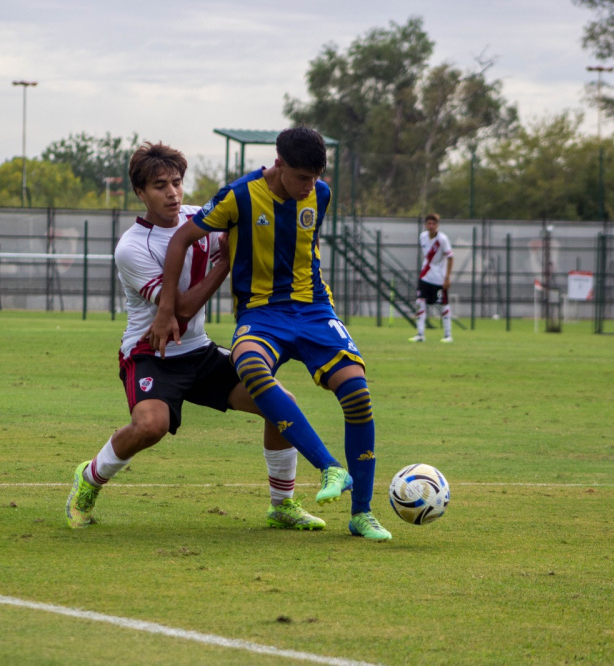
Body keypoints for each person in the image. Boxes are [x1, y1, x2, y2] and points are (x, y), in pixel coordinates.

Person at [148, 127, 392, 541]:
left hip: (315, 310)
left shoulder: (321, 195)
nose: (308, 187)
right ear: (278, 165)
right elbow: (181, 242)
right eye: (301, 177)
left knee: (357, 393)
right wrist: (167, 310)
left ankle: (361, 514)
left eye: (314, 178)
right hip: (261, 314)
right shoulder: (238, 196)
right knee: (250, 366)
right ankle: (329, 466)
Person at [66, 142, 325, 532]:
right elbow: (181, 308)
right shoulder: (132, 248)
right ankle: (88, 479)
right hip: (151, 354)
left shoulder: (198, 217)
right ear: (140, 193)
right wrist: (226, 261)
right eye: (159, 186)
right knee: (150, 426)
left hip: (199, 351)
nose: (172, 193)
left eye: (176, 182)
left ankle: (282, 505)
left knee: (280, 404)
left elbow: (245, 210)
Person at [409, 213, 454, 343]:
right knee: (420, 303)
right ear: (426, 225)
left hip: (439, 279)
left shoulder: (442, 239)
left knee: (443, 305)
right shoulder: (422, 237)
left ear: (437, 225)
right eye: (429, 223)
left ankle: (447, 335)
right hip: (425, 276)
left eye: (434, 224)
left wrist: (447, 277)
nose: (431, 226)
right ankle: (420, 334)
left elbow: (450, 257)